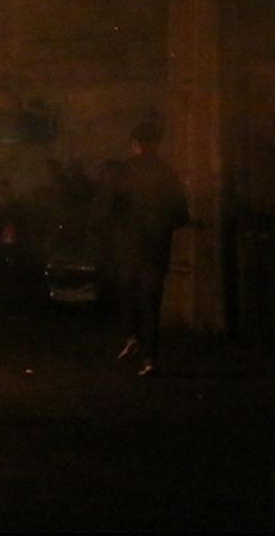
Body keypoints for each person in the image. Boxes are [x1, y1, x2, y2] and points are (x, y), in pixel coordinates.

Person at [113, 121, 189, 377]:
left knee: (128, 295)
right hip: (156, 249)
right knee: (151, 303)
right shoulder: (167, 173)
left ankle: (131, 337)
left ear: (136, 145)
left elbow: (113, 207)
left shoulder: (126, 171)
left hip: (131, 248)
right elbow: (181, 215)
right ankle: (150, 358)